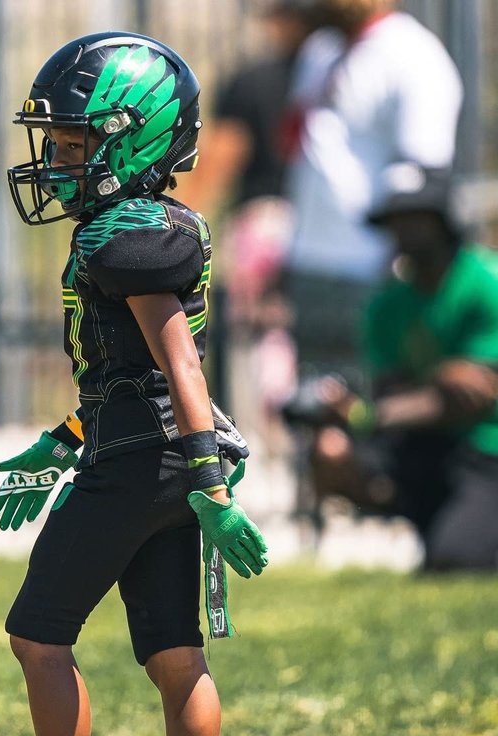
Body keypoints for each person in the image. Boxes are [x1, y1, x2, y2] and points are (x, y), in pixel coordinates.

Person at [0, 32, 268, 736]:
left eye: (72, 144)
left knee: (38, 637)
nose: (55, 162)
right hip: (161, 457)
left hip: (145, 466)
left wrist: (212, 485)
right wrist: (62, 442)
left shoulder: (125, 236)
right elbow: (130, 380)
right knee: (176, 656)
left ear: (132, 138)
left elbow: (180, 366)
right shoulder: (153, 223)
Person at [305, 163, 498, 571]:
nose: (403, 230)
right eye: (395, 220)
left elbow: (476, 395)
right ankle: (427, 522)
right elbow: (394, 391)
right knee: (332, 451)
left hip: (484, 448)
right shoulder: (387, 304)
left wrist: (375, 412)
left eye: (416, 217)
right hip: (420, 444)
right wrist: (441, 378)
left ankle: (455, 531)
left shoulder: (486, 282)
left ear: (445, 220)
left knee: (455, 558)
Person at [281, 0, 463, 382]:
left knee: (369, 398)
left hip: (370, 266)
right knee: (313, 397)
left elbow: (422, 173)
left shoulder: (414, 55)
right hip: (309, 260)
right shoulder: (320, 51)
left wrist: (401, 262)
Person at [177, 0, 325, 452]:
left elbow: (224, 156)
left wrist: (178, 223)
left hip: (266, 221)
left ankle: (272, 447)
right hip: (325, 223)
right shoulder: (337, 77)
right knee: (317, 338)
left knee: (260, 341)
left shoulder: (253, 80)